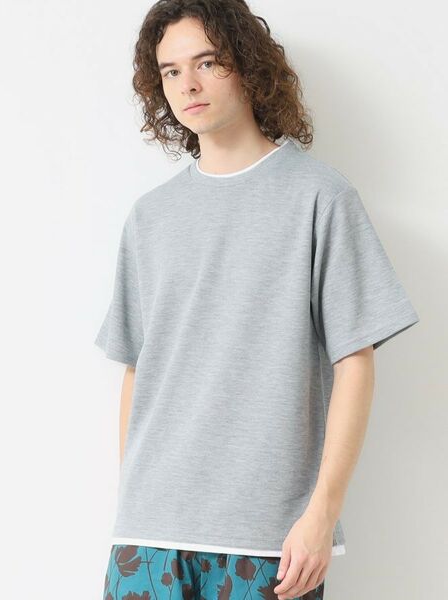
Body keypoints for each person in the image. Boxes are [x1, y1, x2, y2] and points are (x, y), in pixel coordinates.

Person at [94, 1, 420, 599]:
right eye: (171, 71)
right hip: (148, 535)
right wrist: (131, 502)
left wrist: (322, 514)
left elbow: (355, 361)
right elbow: (137, 369)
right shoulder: (150, 218)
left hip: (268, 539)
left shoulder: (320, 197)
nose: (188, 85)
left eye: (207, 62)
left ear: (246, 65)